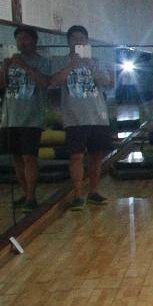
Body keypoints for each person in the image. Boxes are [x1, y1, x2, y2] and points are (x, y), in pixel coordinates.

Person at [50, 25, 115, 211]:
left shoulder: (96, 61)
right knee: (76, 156)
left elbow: (108, 84)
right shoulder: (60, 61)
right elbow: (54, 82)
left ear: (87, 41)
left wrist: (90, 65)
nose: (78, 42)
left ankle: (93, 192)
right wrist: (72, 64)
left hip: (98, 117)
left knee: (96, 156)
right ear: (68, 42)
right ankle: (78, 195)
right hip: (74, 118)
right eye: (74, 39)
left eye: (81, 39)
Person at [0, 26, 54, 212]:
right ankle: (25, 193)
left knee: (29, 157)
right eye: (19, 39)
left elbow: (45, 82)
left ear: (34, 41)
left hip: (32, 118)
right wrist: (5, 66)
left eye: (25, 39)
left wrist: (23, 65)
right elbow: (2, 86)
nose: (22, 42)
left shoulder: (42, 62)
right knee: (17, 158)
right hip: (10, 118)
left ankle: (31, 197)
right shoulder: (9, 62)